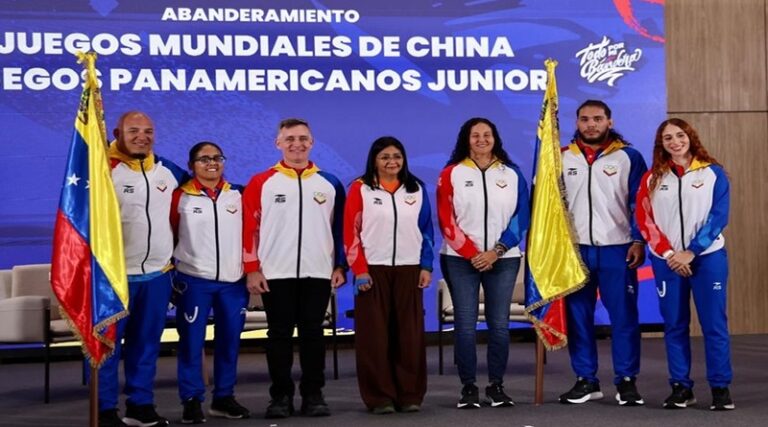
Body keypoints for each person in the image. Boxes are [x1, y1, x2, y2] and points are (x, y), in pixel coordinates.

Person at [242, 118, 346, 419]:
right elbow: (248, 228)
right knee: (279, 336)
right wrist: (252, 268)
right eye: (289, 139)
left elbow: (340, 230)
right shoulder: (261, 182)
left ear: (312, 143)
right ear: (278, 143)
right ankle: (281, 397)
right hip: (275, 273)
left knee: (313, 334)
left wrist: (340, 265)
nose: (296, 144)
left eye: (302, 138)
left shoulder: (330, 183)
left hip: (318, 272)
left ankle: (313, 395)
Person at [635, 118, 734, 410]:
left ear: (690, 137)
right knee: (675, 325)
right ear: (661, 144)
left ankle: (720, 388)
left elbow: (719, 216)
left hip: (708, 258)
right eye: (668, 138)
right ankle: (681, 387)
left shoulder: (713, 173)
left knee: (714, 324)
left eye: (680, 135)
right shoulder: (652, 178)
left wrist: (691, 251)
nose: (675, 142)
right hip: (667, 261)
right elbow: (645, 220)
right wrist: (670, 254)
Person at [98, 111, 188, 427]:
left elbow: (205, 187)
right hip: (112, 278)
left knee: (147, 345)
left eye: (148, 131)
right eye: (133, 130)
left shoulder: (167, 170)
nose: (142, 136)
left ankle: (140, 405)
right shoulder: (101, 169)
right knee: (106, 348)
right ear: (117, 133)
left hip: (157, 276)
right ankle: (104, 409)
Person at [436, 117, 530, 409]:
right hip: (459, 260)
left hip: (503, 259)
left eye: (487, 134)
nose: (481, 140)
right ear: (466, 139)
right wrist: (471, 253)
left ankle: (496, 386)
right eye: (475, 135)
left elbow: (522, 216)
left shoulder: (512, 173)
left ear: (495, 138)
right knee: (465, 326)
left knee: (499, 325)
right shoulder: (451, 173)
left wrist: (496, 251)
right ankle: (468, 387)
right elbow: (446, 218)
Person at [559, 100, 647, 406]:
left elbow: (640, 202)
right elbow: (551, 206)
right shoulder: (561, 157)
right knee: (578, 317)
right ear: (577, 123)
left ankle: (626, 381)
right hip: (576, 251)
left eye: (597, 119)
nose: (591, 124)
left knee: (624, 317)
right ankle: (586, 380)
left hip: (618, 249)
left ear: (610, 121)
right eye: (585, 119)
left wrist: (638, 240)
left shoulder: (629, 157)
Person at [344, 136, 434, 414]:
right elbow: (350, 233)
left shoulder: (416, 189)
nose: (391, 161)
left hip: (409, 270)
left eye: (397, 156)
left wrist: (426, 266)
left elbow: (427, 230)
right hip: (373, 271)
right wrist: (360, 270)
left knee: (409, 336)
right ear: (374, 160)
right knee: (374, 337)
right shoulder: (360, 188)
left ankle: (410, 395)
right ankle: (379, 397)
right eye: (385, 157)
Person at [170, 142, 250, 423]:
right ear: (191, 165)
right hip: (194, 281)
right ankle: (191, 399)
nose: (212, 163)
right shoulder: (180, 197)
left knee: (230, 342)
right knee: (191, 343)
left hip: (233, 282)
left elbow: (252, 234)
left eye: (217, 157)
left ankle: (224, 398)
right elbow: (168, 234)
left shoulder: (239, 194)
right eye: (204, 159)